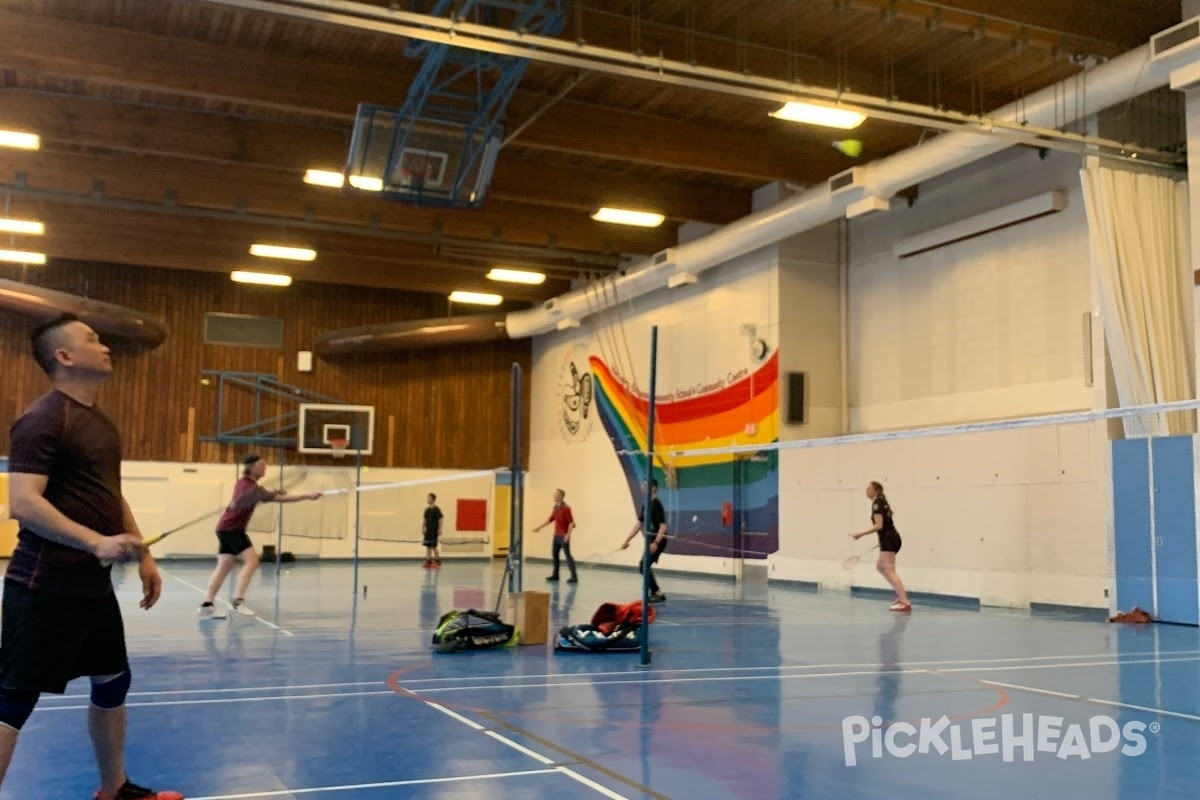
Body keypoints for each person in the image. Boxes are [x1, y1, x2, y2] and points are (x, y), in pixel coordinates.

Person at [0, 313, 183, 800]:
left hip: (90, 587)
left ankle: (113, 789)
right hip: (42, 586)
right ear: (64, 357)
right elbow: (23, 503)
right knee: (13, 702)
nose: (105, 347)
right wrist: (96, 542)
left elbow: (110, 495)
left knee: (113, 682)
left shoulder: (99, 420)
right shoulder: (42, 419)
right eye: (92, 340)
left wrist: (140, 551)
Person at [199, 453, 319, 619]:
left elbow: (266, 495)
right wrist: (306, 495)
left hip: (225, 528)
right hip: (232, 529)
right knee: (252, 560)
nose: (265, 467)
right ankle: (238, 601)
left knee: (224, 565)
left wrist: (272, 493)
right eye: (262, 464)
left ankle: (207, 604)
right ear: (251, 467)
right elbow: (278, 499)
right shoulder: (250, 487)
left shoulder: (247, 485)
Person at [850, 481, 911, 612]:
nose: (866, 489)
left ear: (876, 491)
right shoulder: (881, 502)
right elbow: (886, 526)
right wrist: (881, 540)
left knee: (889, 570)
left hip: (889, 540)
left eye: (869, 488)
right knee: (880, 567)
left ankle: (904, 601)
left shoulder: (877, 504)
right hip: (888, 539)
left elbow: (879, 526)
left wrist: (860, 534)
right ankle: (900, 595)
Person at [621, 478, 668, 603]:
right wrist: (627, 540)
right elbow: (638, 524)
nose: (642, 488)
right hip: (650, 540)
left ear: (653, 488)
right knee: (644, 566)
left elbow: (663, 526)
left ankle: (657, 592)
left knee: (644, 565)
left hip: (657, 540)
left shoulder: (656, 504)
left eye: (645, 485)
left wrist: (656, 543)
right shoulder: (646, 504)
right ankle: (654, 591)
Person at [533, 488, 577, 583]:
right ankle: (555, 575)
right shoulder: (555, 507)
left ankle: (574, 577)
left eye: (556, 494)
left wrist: (568, 535)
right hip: (556, 536)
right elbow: (550, 519)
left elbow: (571, 522)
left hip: (563, 536)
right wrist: (539, 527)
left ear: (561, 496)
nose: (554, 496)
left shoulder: (566, 508)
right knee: (555, 555)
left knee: (567, 555)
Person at [422, 493, 443, 569]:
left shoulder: (436, 509)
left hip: (434, 530)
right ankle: (428, 561)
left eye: (429, 498)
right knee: (428, 546)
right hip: (428, 530)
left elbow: (441, 519)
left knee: (433, 546)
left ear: (433, 499)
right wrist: (423, 528)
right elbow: (424, 519)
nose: (427, 499)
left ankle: (437, 561)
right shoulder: (426, 509)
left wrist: (440, 529)